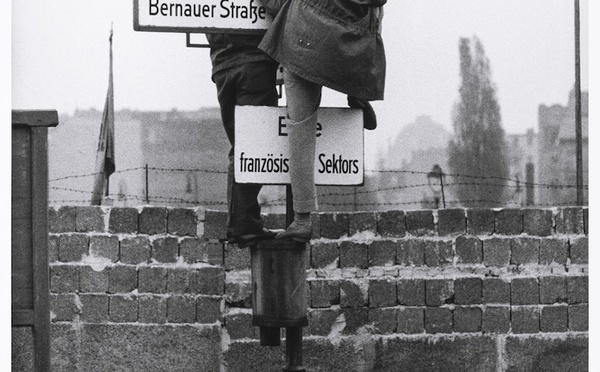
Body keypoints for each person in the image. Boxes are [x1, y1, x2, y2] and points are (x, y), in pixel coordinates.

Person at [259, 0, 387, 242]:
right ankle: (358, 89)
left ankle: (302, 219)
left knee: (301, 129)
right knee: (375, 12)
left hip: (304, 40)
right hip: (353, 48)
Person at [206, 32, 281, 247]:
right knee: (253, 145)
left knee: (241, 146)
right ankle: (244, 224)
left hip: (222, 66)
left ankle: (241, 223)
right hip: (254, 62)